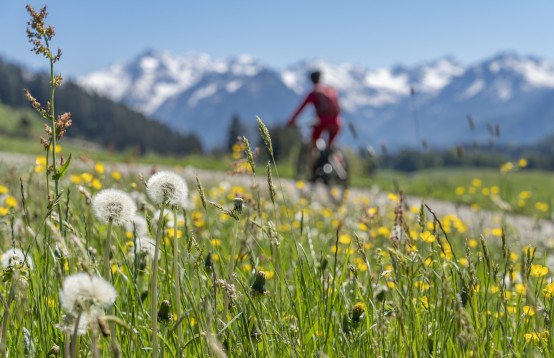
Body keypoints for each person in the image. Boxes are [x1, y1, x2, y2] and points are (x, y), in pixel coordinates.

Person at [286, 70, 343, 179]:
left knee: (313, 146)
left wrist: (291, 121)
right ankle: (339, 167)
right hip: (337, 122)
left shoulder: (314, 93)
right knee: (331, 148)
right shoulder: (331, 90)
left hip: (322, 122)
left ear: (311, 80)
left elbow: (300, 109)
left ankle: (312, 173)